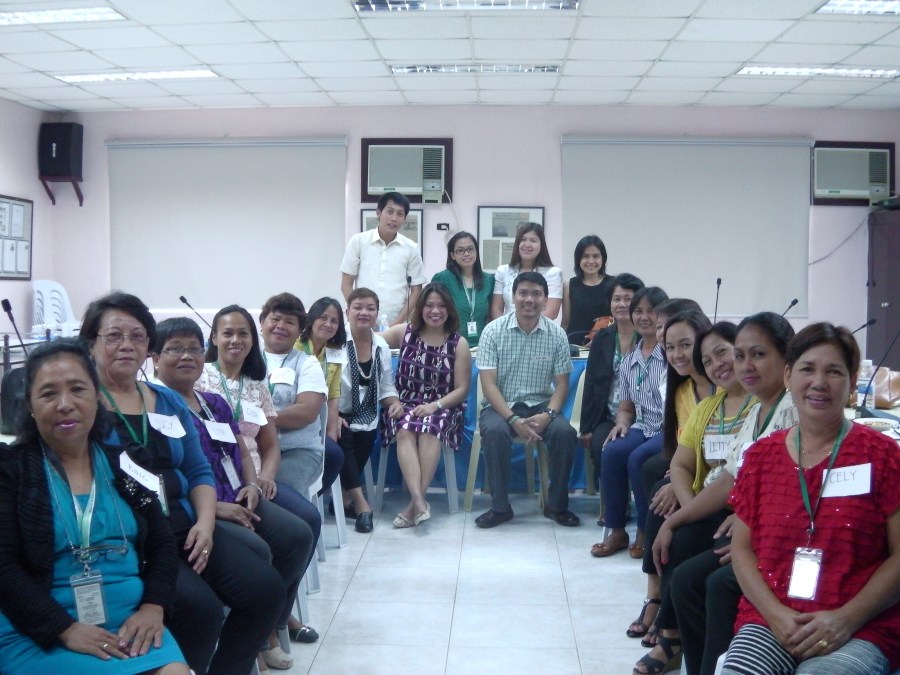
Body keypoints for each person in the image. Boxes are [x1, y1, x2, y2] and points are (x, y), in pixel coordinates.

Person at [80, 292, 284, 675]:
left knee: (265, 592)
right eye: (114, 336)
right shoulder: (85, 405)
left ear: (147, 348)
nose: (127, 345)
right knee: (201, 611)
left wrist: (205, 525)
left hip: (187, 526)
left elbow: (199, 472)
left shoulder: (166, 400)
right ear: (91, 343)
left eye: (138, 336)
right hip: (133, 538)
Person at [0, 339, 188, 675]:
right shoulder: (10, 471)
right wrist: (63, 629)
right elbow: (3, 567)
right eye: (48, 394)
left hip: (132, 624)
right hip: (39, 629)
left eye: (77, 389)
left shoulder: (127, 463)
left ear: (96, 397)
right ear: (29, 405)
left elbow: (162, 543)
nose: (65, 404)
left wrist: (154, 606)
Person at [722, 323, 899, 675]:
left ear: (851, 384)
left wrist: (846, 619)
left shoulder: (882, 456)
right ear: (788, 375)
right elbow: (742, 549)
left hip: (861, 623)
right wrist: (776, 616)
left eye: (833, 371)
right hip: (774, 618)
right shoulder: (760, 457)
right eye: (807, 369)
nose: (819, 382)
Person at [151, 317, 317, 667]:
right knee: (257, 551)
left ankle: (267, 628)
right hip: (206, 508)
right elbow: (174, 478)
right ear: (155, 358)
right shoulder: (155, 409)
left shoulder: (213, 402)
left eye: (193, 349)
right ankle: (257, 636)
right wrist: (214, 509)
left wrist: (253, 484)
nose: (186, 356)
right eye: (175, 349)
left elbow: (242, 450)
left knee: (298, 534)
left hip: (238, 493)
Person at [661, 312, 797, 675]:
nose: (744, 366)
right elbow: (729, 480)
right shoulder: (758, 413)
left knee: (715, 584)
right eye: (740, 356)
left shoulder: (793, 410)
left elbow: (794, 493)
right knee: (686, 574)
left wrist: (747, 522)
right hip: (748, 526)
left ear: (785, 357)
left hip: (783, 541)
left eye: (758, 354)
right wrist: (673, 520)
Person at [195, 304, 323, 657]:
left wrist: (265, 478)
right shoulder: (198, 377)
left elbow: (269, 445)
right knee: (271, 541)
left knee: (306, 524)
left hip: (252, 478)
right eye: (228, 333)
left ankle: (275, 620)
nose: (236, 340)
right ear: (214, 338)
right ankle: (262, 628)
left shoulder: (257, 385)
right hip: (217, 483)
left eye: (243, 333)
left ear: (253, 339)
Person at [634, 322, 756, 675]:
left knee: (682, 538)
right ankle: (663, 617)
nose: (717, 363)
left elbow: (741, 479)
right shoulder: (708, 408)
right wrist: (689, 508)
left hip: (736, 511)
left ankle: (668, 631)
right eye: (708, 359)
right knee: (666, 509)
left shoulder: (760, 407)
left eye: (723, 352)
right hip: (709, 503)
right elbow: (681, 464)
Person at [626, 309, 713, 647]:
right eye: (671, 347)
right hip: (691, 475)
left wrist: (683, 489)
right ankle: (655, 596)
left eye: (685, 345)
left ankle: (666, 620)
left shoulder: (723, 388)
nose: (677, 354)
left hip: (713, 482)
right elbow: (681, 449)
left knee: (667, 503)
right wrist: (679, 483)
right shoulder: (681, 389)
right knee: (659, 496)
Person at [475, 271, 579, 528]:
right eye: (523, 293)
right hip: (500, 406)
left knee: (564, 433)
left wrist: (549, 416)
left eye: (536, 294)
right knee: (496, 432)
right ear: (513, 297)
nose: (529, 299)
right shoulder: (493, 331)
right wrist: (511, 418)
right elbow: (488, 384)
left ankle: (557, 506)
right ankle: (500, 508)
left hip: (541, 405)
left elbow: (562, 386)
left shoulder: (556, 335)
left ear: (545, 299)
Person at [380, 282, 471, 528]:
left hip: (444, 407)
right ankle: (420, 501)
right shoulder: (404, 332)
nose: (435, 311)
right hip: (405, 402)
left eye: (441, 306)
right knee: (405, 427)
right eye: (429, 305)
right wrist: (393, 399)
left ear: (449, 309)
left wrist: (435, 406)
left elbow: (462, 390)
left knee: (430, 428)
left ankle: (413, 505)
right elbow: (372, 344)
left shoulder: (458, 343)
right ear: (420, 308)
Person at [591, 286, 668, 557]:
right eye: (639, 311)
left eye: (651, 310)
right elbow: (625, 408)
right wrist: (621, 423)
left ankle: (645, 531)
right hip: (641, 425)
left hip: (668, 429)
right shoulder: (629, 360)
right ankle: (617, 531)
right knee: (612, 450)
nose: (644, 317)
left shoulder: (671, 355)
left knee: (638, 459)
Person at [338, 288, 401, 533]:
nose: (364, 313)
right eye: (358, 307)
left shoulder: (381, 345)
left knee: (367, 433)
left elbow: (386, 387)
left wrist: (394, 403)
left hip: (366, 416)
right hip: (335, 412)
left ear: (377, 313)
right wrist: (331, 414)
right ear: (348, 311)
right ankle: (363, 505)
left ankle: (344, 500)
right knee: (343, 437)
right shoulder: (336, 340)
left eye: (370, 308)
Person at [259, 293, 328, 499]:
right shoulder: (246, 361)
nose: (281, 326)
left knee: (277, 494)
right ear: (262, 323)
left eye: (290, 322)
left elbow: (306, 412)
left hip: (297, 451)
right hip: (251, 449)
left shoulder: (307, 364)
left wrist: (257, 420)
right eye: (275, 319)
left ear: (299, 331)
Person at [580, 273, 644, 492]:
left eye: (628, 298)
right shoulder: (603, 338)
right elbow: (591, 383)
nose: (622, 304)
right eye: (617, 299)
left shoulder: (649, 338)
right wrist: (586, 427)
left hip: (644, 417)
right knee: (601, 444)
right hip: (608, 415)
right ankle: (614, 504)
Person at [340, 191, 428, 326]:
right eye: (390, 211)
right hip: (361, 322)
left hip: (397, 324)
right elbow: (346, 284)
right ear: (379, 213)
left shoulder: (411, 248)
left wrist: (396, 324)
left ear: (404, 219)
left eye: (400, 214)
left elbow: (416, 291)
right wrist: (358, 313)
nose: (394, 218)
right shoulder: (359, 241)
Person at [294, 296, 347, 495]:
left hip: (319, 424)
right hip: (296, 417)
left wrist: (330, 435)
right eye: (323, 318)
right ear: (312, 319)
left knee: (334, 453)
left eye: (334, 321)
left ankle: (311, 496)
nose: (328, 324)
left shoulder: (335, 353)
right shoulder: (295, 346)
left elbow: (333, 398)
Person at [431, 231, 494, 347]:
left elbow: (492, 316)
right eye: (460, 250)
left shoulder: (489, 280)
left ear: (476, 252)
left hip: (483, 346)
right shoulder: (442, 279)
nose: (466, 254)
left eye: (470, 249)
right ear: (452, 255)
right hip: (450, 345)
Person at [491, 222, 563, 320]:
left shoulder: (553, 273)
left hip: (540, 332)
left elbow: (551, 312)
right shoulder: (503, 271)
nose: (527, 245)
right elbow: (496, 309)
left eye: (533, 240)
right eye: (523, 240)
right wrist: (504, 329)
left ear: (541, 245)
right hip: (506, 331)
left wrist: (526, 328)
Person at [562, 234, 616, 345]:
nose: (591, 261)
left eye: (596, 256)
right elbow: (566, 321)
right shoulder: (569, 285)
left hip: (605, 345)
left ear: (603, 259)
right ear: (578, 259)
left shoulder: (614, 284)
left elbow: (618, 320)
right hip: (575, 347)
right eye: (585, 256)